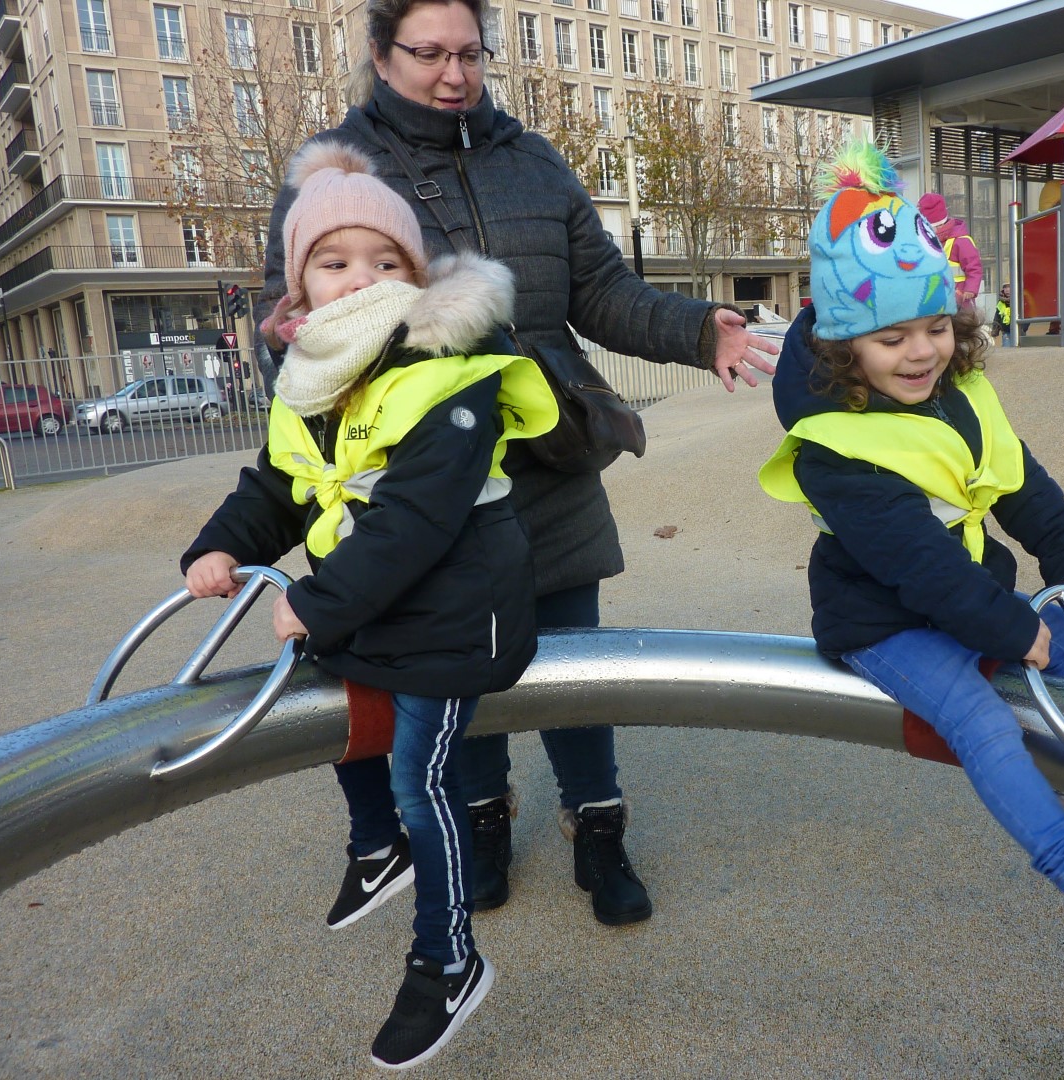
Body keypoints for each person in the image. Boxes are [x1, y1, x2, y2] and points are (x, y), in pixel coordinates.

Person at [260, 0, 778, 928]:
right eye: (428, 53)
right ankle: (484, 818)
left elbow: (602, 292)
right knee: (455, 655)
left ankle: (599, 822)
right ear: (381, 53)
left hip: (545, 455)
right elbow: (291, 321)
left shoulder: (531, 160)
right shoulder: (339, 175)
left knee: (575, 658)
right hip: (418, 480)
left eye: (470, 52)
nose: (454, 73)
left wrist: (700, 329)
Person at [760, 142, 1064, 976]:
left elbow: (1018, 483)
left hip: (968, 595)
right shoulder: (836, 449)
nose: (921, 352)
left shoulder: (953, 395)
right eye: (891, 337)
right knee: (981, 719)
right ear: (844, 351)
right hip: (885, 620)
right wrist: (1005, 627)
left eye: (937, 327)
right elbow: (915, 564)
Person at [182, 143, 559, 1068]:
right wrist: (221, 543)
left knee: (421, 778)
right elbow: (280, 480)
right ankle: (374, 849)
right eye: (334, 261)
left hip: (456, 612)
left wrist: (319, 599)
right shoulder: (313, 368)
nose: (362, 279)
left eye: (386, 262)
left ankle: (449, 958)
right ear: (300, 281)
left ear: (415, 273)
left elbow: (420, 518)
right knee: (331, 711)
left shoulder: (449, 362)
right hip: (366, 606)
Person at [917, 192, 983, 311]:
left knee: (960, 327)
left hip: (960, 299)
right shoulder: (928, 242)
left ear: (939, 225)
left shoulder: (961, 241)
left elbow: (974, 268)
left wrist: (970, 290)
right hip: (938, 298)